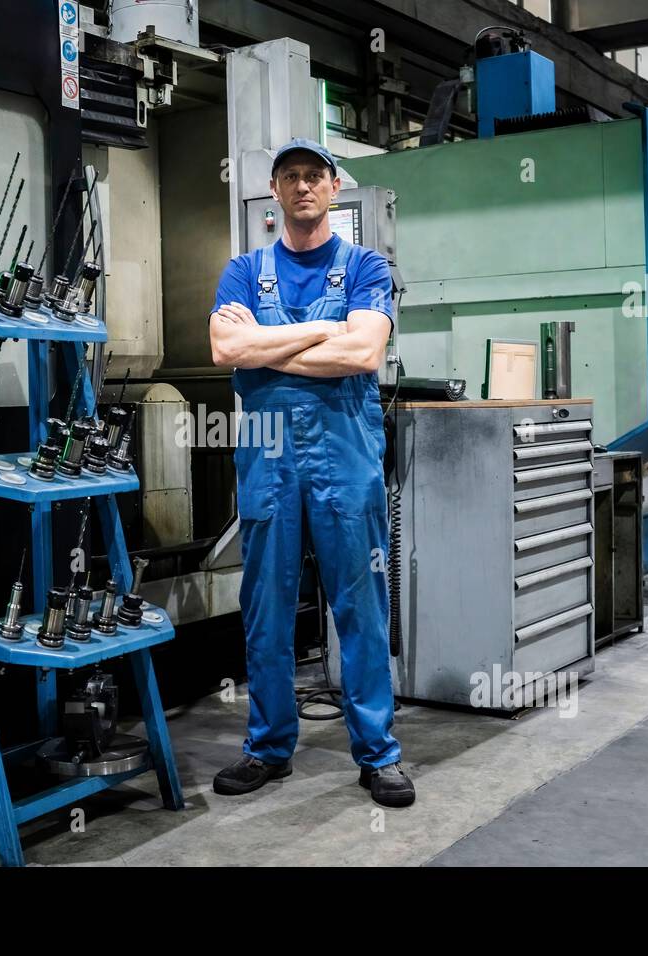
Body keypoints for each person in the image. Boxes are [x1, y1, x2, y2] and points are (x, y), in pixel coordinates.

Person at [207, 137, 413, 808]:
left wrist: (262, 353)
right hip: (267, 456)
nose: (302, 187)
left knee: (361, 608)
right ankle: (268, 747)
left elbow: (362, 356)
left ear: (331, 187)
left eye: (313, 176)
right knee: (265, 608)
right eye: (289, 177)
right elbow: (222, 347)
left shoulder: (366, 266)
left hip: (344, 457)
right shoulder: (242, 271)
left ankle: (378, 755)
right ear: (275, 192)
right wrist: (319, 337)